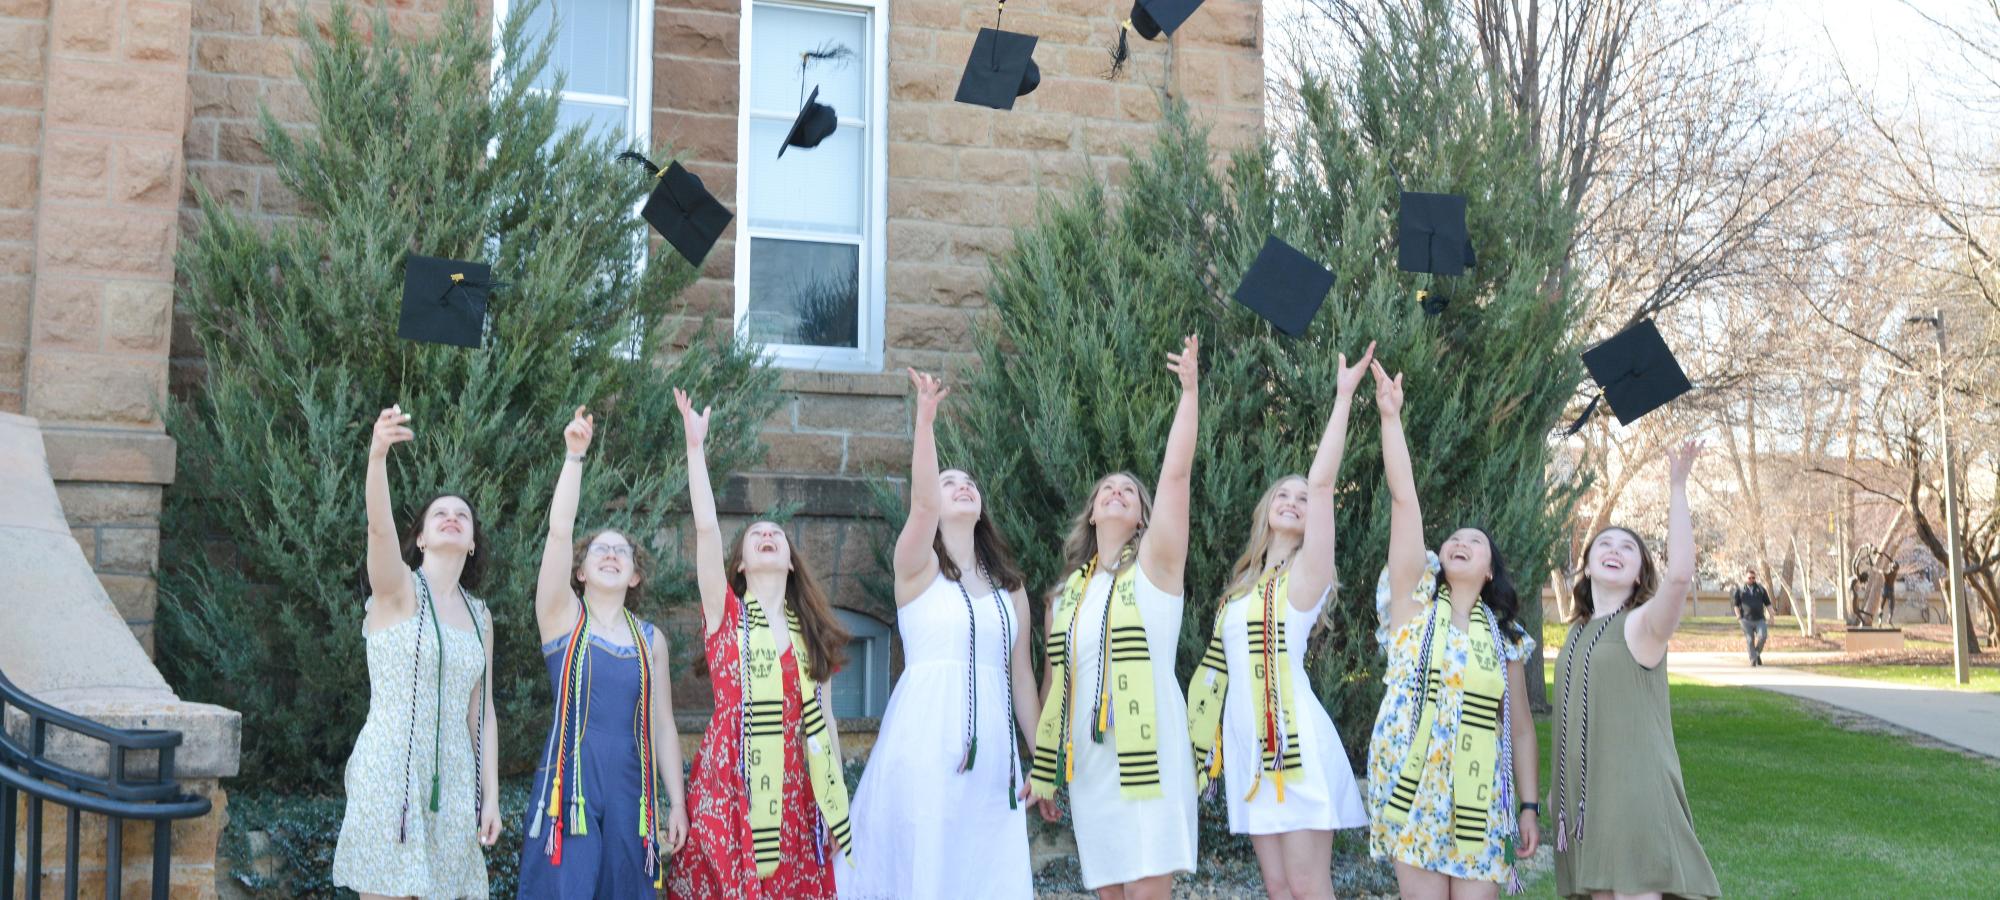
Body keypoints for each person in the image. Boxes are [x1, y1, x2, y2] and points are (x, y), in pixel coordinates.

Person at [840, 370, 1040, 899]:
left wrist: (1042, 762)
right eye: (951, 482)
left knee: (985, 869)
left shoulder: (1009, 589)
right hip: (926, 738)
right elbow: (922, 506)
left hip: (994, 751)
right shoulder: (917, 568)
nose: (963, 487)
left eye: (970, 482)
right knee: (926, 863)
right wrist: (924, 423)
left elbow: (1022, 679)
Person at [1187, 344, 1373, 900]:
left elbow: (1322, 484)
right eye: (1283, 494)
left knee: (1308, 887)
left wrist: (1343, 399)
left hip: (1291, 739)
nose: (1295, 499)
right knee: (1276, 887)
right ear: (1267, 509)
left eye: (1303, 497)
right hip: (1248, 744)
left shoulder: (1307, 576)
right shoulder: (1241, 588)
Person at [1027, 334, 1202, 900]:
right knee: (1110, 892)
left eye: (1130, 490)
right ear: (1092, 510)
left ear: (1144, 514)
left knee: (1147, 888)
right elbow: (1058, 683)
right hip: (1091, 762)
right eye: (1108, 488)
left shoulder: (1156, 566)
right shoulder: (1067, 596)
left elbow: (1175, 477)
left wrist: (1189, 393)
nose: (1118, 492)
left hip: (1146, 752)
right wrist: (1047, 766)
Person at [667, 390, 854, 900]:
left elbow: (827, 726)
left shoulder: (811, 634)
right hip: (730, 781)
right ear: (742, 565)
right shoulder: (724, 615)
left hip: (796, 788)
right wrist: (695, 451)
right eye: (756, 534)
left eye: (777, 534)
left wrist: (837, 807)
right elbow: (706, 529)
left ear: (791, 561)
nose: (768, 535)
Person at [1363, 363, 1540, 899]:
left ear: (1490, 570)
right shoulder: (1411, 603)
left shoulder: (1507, 638)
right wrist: (1390, 419)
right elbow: (1404, 501)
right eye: (1454, 538)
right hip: (1411, 787)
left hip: (1479, 797)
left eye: (1476, 541)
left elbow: (1522, 729)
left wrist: (1528, 806)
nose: (1461, 541)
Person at [518, 406, 688, 897]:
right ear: (580, 572)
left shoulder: (649, 639)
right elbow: (558, 532)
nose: (611, 554)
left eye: (622, 552)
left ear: (635, 576)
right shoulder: (561, 617)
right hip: (568, 787)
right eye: (599, 551)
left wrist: (676, 802)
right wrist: (574, 457)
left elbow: (663, 725)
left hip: (631, 794)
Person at [332, 404, 500, 900]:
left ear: (471, 543)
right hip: (390, 772)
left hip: (452, 781)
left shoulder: (479, 616)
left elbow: (482, 713)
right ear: (421, 538)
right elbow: (379, 531)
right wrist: (377, 457)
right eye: (440, 514)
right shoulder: (398, 590)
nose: (452, 518)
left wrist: (490, 795)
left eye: (462, 515)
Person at [1549, 441, 1720, 900]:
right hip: (1585, 800)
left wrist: (1677, 488)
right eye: (1604, 543)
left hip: (1633, 795)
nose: (1615, 549)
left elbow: (1681, 575)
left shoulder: (1642, 626)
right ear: (1586, 565)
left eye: (1628, 547)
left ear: (1640, 569)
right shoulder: (1576, 633)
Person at [1731, 569, 1772, 666]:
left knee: (1763, 636)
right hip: (1746, 620)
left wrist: (1772, 616)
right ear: (1746, 578)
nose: (1751, 580)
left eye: (1753, 578)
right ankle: (1753, 660)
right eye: (1749, 578)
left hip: (1760, 619)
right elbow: (1736, 605)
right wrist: (1738, 616)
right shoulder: (1740, 590)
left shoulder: (1761, 589)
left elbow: (1768, 604)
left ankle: (1756, 653)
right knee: (1750, 640)